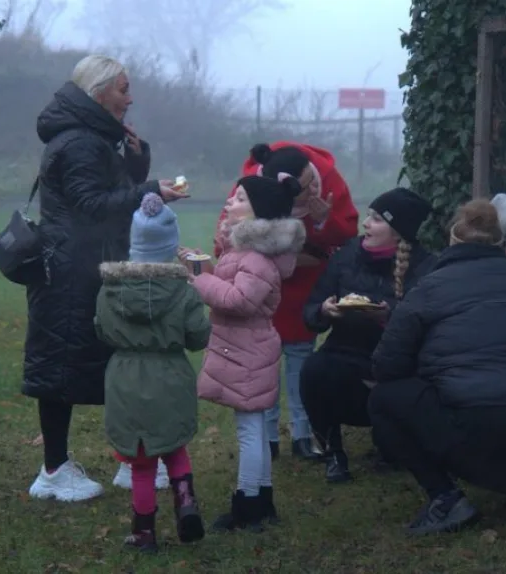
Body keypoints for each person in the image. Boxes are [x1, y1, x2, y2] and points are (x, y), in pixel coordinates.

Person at [369, 199, 506, 536]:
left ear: (453, 239)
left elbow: (387, 366)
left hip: (481, 428)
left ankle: (446, 499)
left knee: (385, 398)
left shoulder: (430, 287)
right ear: (498, 241)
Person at [23, 54, 187, 502]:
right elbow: (91, 206)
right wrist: (150, 190)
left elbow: (107, 198)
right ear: (97, 94)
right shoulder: (79, 143)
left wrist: (137, 167)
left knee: (108, 363)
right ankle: (55, 470)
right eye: (122, 88)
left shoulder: (92, 139)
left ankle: (129, 462)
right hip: (70, 275)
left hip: (85, 267)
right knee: (62, 371)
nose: (129, 98)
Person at [213, 142, 358, 461]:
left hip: (304, 291)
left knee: (300, 363)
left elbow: (347, 236)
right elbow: (224, 237)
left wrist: (323, 222)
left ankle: (304, 434)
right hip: (261, 294)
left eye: (311, 182)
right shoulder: (250, 186)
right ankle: (267, 438)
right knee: (263, 368)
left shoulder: (329, 181)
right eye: (303, 189)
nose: (311, 191)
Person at [182, 175, 305, 531]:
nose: (230, 203)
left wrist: (199, 282)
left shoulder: (257, 258)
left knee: (250, 431)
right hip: (244, 349)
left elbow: (239, 299)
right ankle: (261, 501)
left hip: (247, 352)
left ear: (257, 212)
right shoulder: (246, 252)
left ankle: (248, 506)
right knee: (254, 429)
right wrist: (203, 268)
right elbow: (232, 285)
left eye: (238, 199)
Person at [95, 193, 210, 552]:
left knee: (141, 463)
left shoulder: (110, 288)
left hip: (126, 377)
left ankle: (144, 532)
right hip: (171, 374)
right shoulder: (183, 290)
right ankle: (186, 502)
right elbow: (197, 337)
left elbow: (101, 330)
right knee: (175, 446)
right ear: (170, 246)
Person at [300, 188, 437, 483]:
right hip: (343, 356)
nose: (365, 224)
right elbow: (311, 310)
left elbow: (429, 322)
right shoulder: (347, 255)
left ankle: (391, 441)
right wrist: (323, 311)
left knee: (393, 445)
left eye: (376, 219)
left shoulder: (426, 266)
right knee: (313, 370)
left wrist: (388, 316)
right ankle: (333, 452)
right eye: (369, 216)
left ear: (399, 231)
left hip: (396, 366)